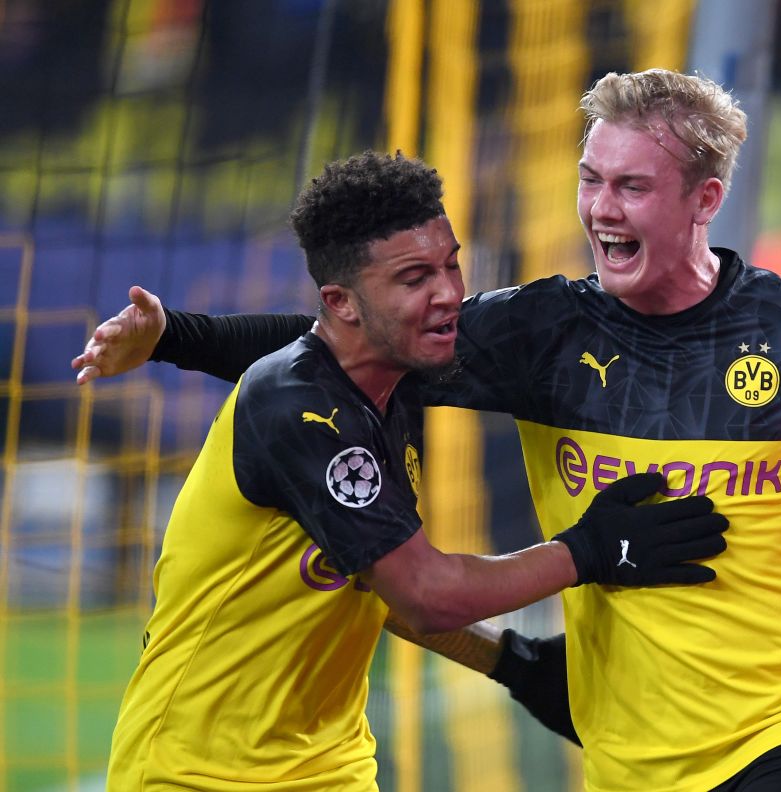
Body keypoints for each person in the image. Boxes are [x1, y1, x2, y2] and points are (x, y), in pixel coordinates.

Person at [76, 70, 781, 791]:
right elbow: (357, 335)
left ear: (702, 200)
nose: (598, 208)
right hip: (621, 752)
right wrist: (177, 332)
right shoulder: (537, 335)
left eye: (629, 186)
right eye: (590, 180)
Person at [90, 151, 729, 790]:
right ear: (342, 302)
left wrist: (513, 662)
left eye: (451, 262)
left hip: (331, 767)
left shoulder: (392, 378)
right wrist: (591, 549)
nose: (450, 292)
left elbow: (376, 583)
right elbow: (423, 595)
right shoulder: (300, 411)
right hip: (195, 774)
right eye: (415, 277)